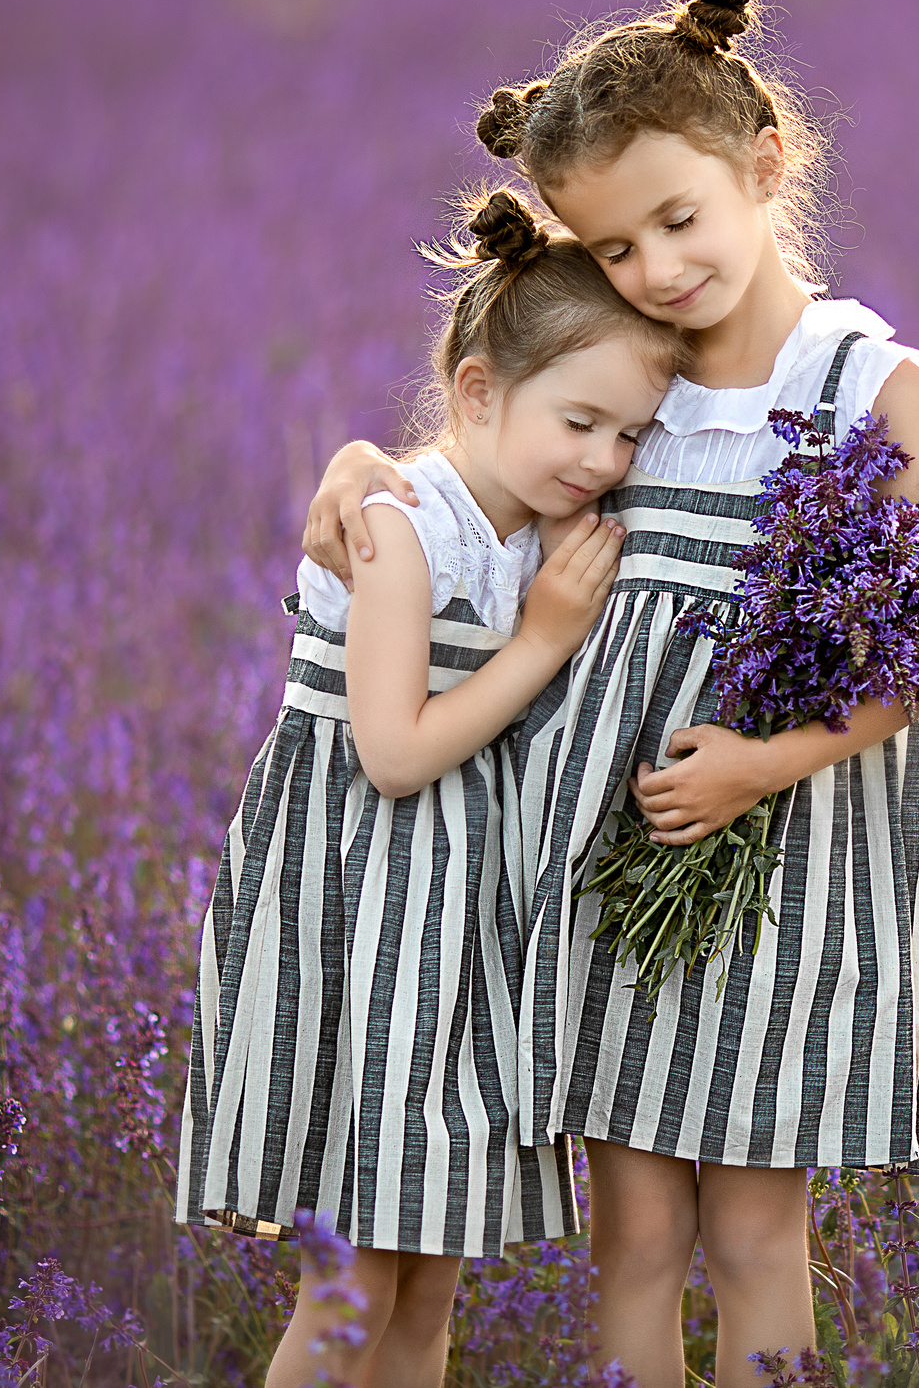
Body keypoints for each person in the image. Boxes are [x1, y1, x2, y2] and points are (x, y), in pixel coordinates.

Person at [306, 0, 919, 1387]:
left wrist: (761, 762)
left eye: (680, 219)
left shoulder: (867, 384)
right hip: (613, 861)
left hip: (786, 863)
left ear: (765, 165)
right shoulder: (634, 383)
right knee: (631, 1237)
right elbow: (477, 460)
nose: (659, 267)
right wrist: (366, 464)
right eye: (613, 247)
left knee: (750, 1235)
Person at [182, 193, 687, 1388]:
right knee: (354, 1275)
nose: (602, 462)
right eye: (580, 422)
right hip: (365, 913)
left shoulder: (526, 519)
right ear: (473, 392)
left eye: (629, 437)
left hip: (454, 927)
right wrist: (543, 641)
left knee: (428, 1275)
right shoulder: (402, 529)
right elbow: (393, 756)